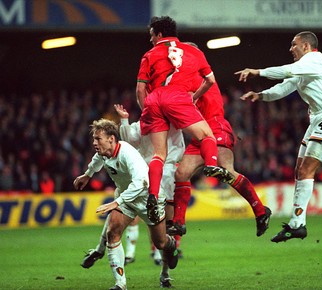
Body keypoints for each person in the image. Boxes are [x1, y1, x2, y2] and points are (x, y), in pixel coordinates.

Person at [236, 31, 322, 243]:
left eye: (293, 45)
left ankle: (298, 225)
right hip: (317, 120)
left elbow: (286, 71)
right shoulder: (304, 70)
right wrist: (260, 96)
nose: (290, 49)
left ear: (306, 46)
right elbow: (283, 88)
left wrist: (257, 72)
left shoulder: (316, 59)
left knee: (307, 170)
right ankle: (298, 223)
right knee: (299, 170)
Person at [136, 16, 231, 224]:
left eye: (151, 35)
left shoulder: (149, 54)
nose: (151, 39)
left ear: (159, 34)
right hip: (177, 97)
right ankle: (212, 165)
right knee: (207, 135)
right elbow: (210, 81)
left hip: (154, 100)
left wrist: (147, 112)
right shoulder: (194, 52)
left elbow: (140, 89)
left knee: (159, 154)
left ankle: (153, 195)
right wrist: (194, 97)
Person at [79, 104, 185, 288]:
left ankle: (170, 249)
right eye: (94, 139)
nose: (95, 143)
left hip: (148, 198)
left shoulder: (127, 152)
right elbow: (97, 160)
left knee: (160, 242)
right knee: (113, 232)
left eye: (98, 139)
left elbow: (141, 182)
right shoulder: (104, 152)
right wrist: (88, 174)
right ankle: (121, 284)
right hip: (127, 199)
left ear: (112, 139)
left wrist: (117, 202)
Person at [169, 57, 272, 238]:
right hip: (199, 133)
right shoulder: (188, 76)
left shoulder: (199, 75)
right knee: (181, 173)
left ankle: (260, 211)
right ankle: (178, 223)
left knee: (225, 170)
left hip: (215, 127)